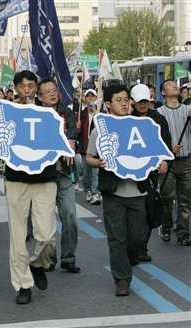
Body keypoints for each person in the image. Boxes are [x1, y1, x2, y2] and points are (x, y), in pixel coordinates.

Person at [0, 70, 57, 305]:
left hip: (45, 179)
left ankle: (38, 263)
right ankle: (22, 285)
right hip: (16, 179)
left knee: (46, 234)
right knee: (18, 236)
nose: (27, 90)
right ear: (16, 89)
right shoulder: (6, 113)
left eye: (31, 86)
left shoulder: (48, 113)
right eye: (23, 86)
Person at [86, 83, 151, 296]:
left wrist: (161, 164)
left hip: (138, 192)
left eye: (126, 99)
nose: (124, 104)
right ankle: (122, 279)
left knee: (136, 238)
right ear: (108, 104)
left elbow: (156, 154)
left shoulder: (143, 126)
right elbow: (89, 157)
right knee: (117, 238)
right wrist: (99, 163)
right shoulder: (101, 130)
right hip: (113, 192)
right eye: (119, 100)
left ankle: (130, 258)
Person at [37, 79, 80, 273]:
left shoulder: (67, 112)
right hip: (42, 175)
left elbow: (71, 135)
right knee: (45, 221)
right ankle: (49, 256)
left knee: (70, 215)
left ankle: (68, 257)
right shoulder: (34, 114)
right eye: (47, 92)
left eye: (54, 90)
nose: (52, 94)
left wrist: (70, 143)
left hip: (64, 173)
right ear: (39, 96)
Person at [130, 83, 171, 261]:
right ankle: (133, 247)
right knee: (135, 211)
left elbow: (166, 142)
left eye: (145, 101)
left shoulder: (158, 119)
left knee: (148, 208)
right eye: (139, 102)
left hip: (152, 171)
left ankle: (142, 248)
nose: (142, 104)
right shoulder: (127, 119)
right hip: (131, 170)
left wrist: (164, 161)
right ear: (133, 102)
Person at [157, 80, 191, 246]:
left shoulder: (188, 110)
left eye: (176, 85)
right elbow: (154, 138)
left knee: (185, 200)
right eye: (171, 84)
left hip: (186, 160)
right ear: (163, 92)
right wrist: (168, 146)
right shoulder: (158, 113)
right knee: (167, 198)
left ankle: (184, 232)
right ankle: (166, 225)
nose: (175, 86)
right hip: (167, 163)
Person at [77, 89, 102, 205]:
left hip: (97, 148)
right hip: (84, 147)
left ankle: (95, 192)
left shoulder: (100, 115)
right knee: (87, 172)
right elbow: (76, 132)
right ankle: (87, 190)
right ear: (85, 99)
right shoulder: (80, 115)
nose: (90, 99)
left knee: (96, 172)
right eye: (88, 97)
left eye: (93, 97)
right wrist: (77, 127)